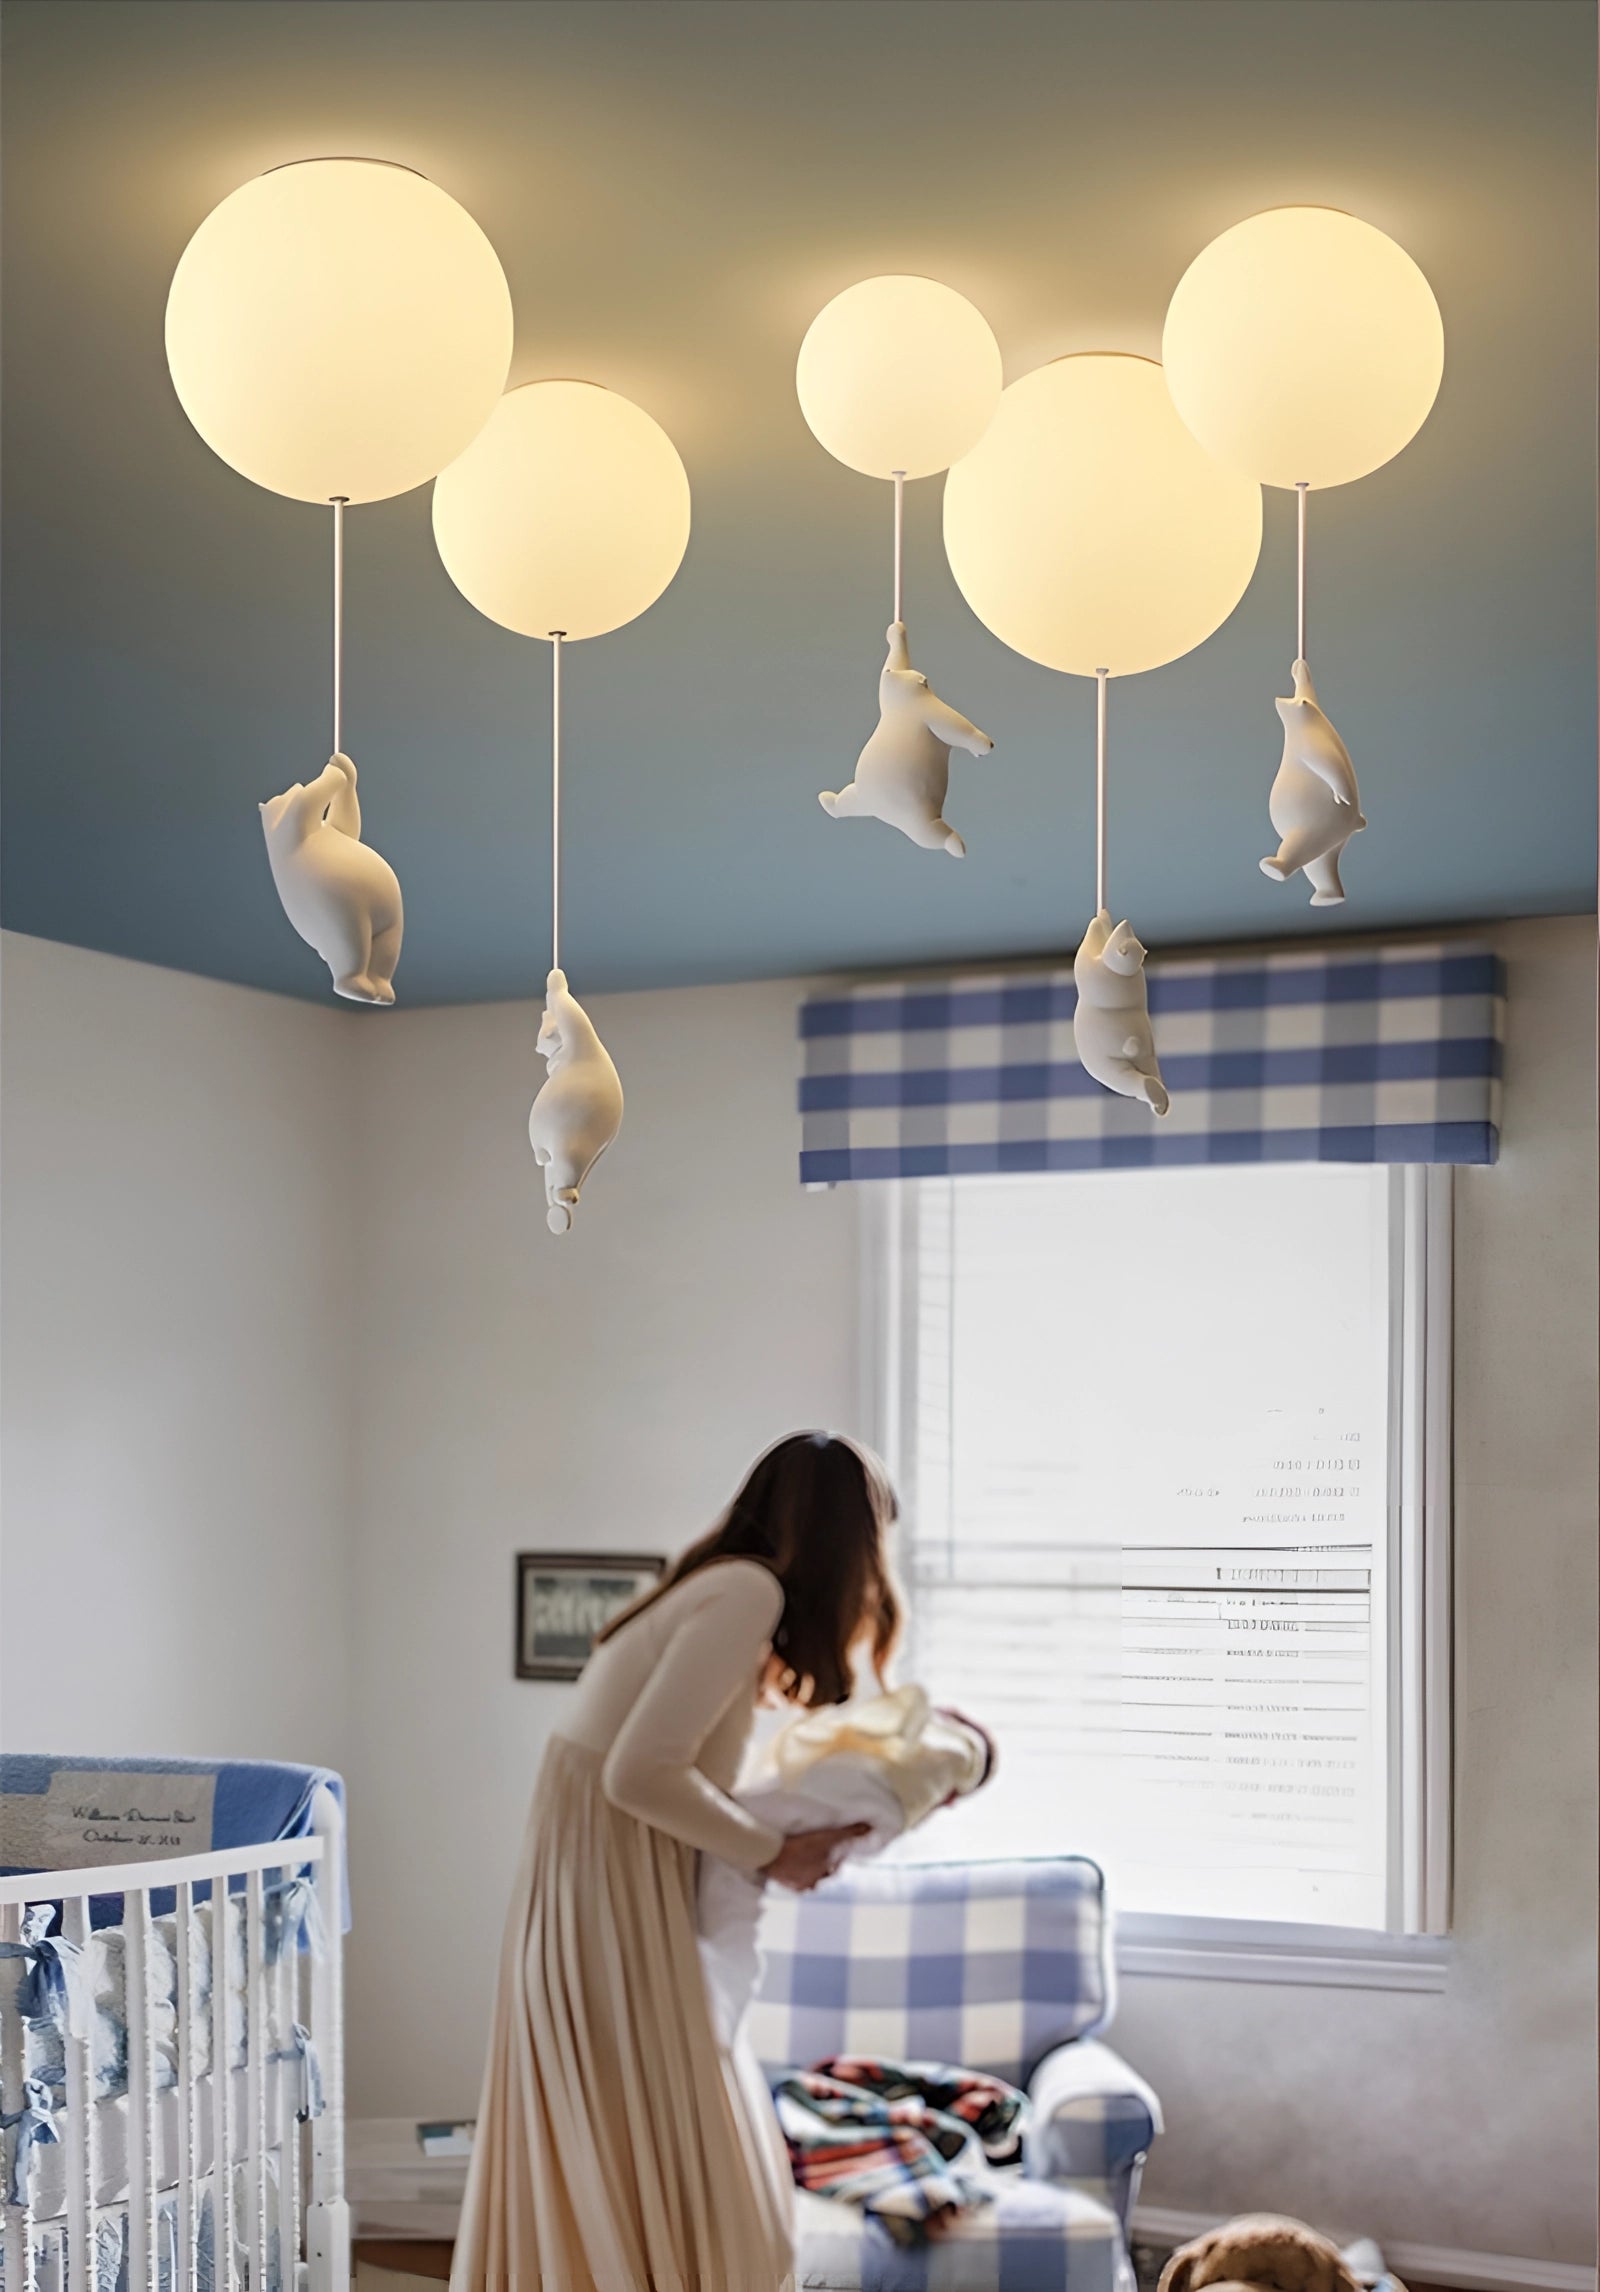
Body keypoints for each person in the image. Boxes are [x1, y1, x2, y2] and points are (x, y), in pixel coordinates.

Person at [450, 1431, 903, 2292]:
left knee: (640, 2152)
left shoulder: (717, 1587)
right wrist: (774, 1851)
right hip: (613, 1893)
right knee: (703, 2170)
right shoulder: (746, 1590)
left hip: (598, 1885)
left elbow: (656, 1770)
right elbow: (640, 1773)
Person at [698, 1683, 996, 2048]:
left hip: (860, 1802)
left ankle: (717, 2024)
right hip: (869, 1806)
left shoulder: (908, 1744)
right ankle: (717, 2026)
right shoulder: (923, 1760)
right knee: (733, 1923)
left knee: (732, 1902)